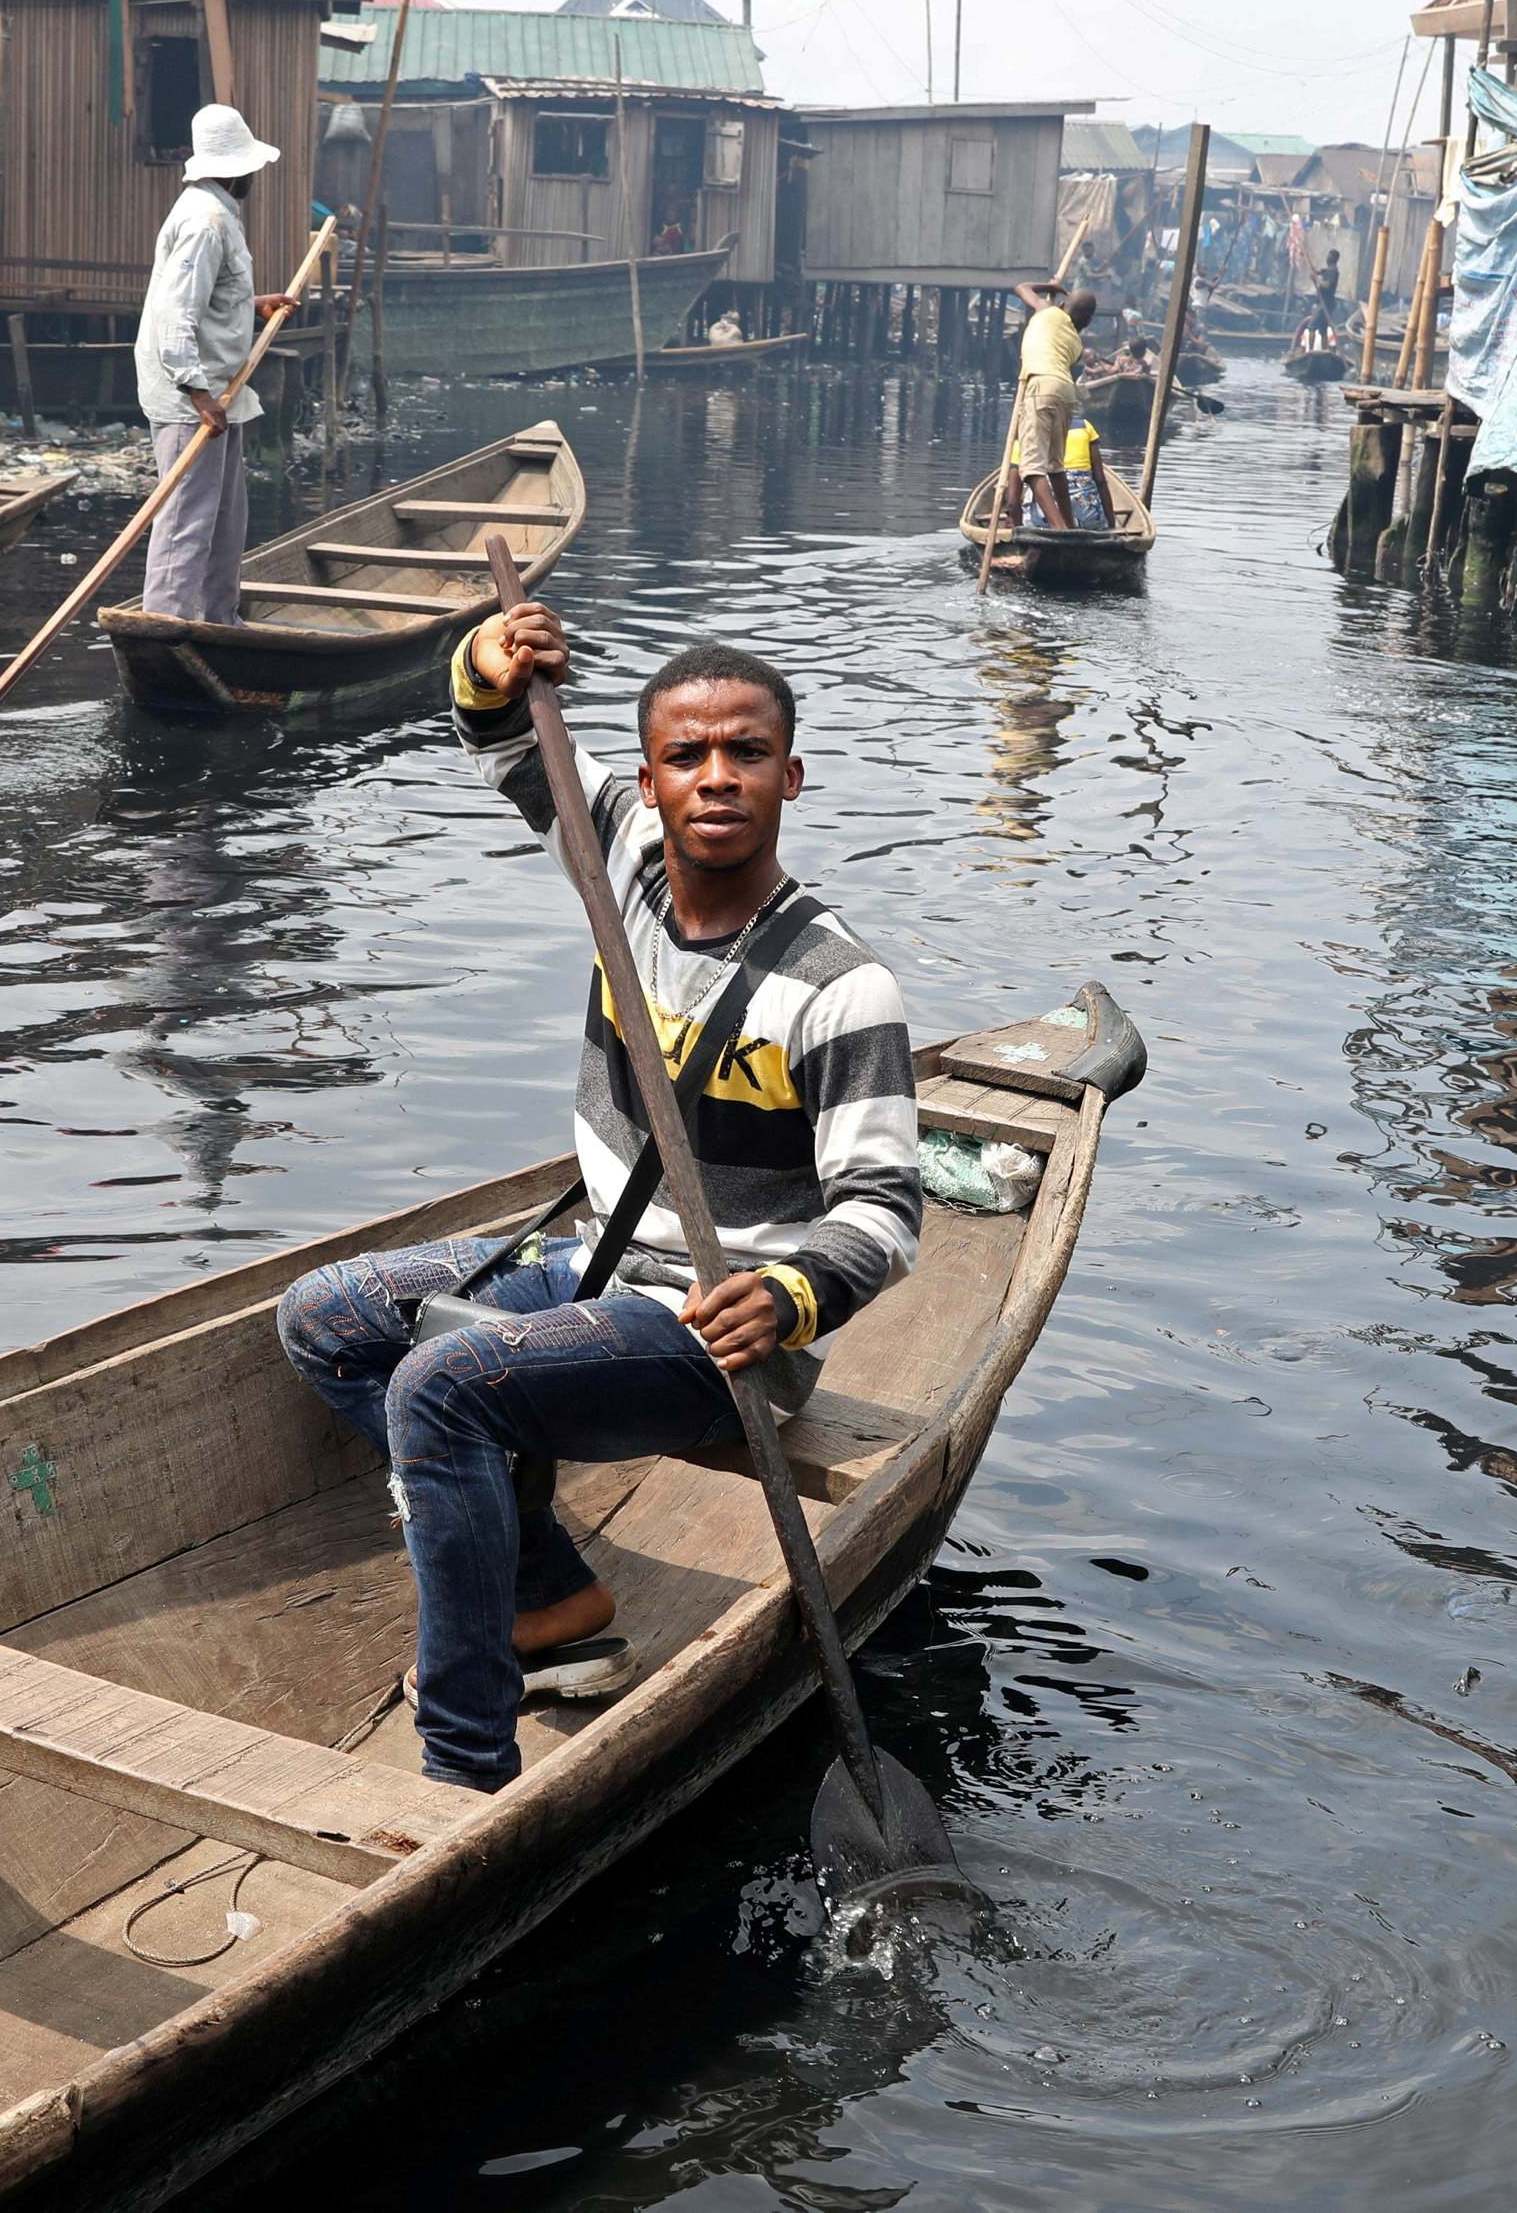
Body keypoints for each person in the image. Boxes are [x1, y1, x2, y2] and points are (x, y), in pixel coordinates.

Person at [275, 607, 925, 1793]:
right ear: (650, 779)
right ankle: (544, 1598)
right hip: (602, 1262)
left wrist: (787, 1295)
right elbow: (507, 742)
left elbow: (883, 1207)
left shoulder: (840, 986)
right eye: (687, 756)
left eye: (745, 753)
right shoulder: (616, 853)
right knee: (327, 1314)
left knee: (439, 1385)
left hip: (716, 1331)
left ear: (789, 775)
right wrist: (485, 664)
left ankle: (462, 1760)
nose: (715, 777)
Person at [136, 103, 297, 625]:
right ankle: (166, 625)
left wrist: (254, 305)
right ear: (237, 169)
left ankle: (218, 619)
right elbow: (176, 312)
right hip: (192, 395)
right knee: (186, 518)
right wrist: (196, 391)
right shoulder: (205, 221)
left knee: (226, 518)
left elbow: (208, 298)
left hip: (218, 389)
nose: (254, 176)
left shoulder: (217, 213)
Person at [1000, 279, 1094, 531]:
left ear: (1063, 305)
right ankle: (1069, 525)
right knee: (1055, 466)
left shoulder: (1048, 311)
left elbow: (1021, 287)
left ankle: (1059, 529)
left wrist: (1051, 286)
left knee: (1031, 469)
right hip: (1066, 391)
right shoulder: (1076, 342)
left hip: (1041, 385)